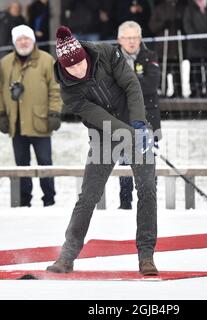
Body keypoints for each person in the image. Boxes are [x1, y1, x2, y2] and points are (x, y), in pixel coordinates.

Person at [46, 26, 158, 276]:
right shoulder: (69, 91)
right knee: (88, 196)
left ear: (85, 55)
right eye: (71, 68)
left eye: (80, 64)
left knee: (147, 189)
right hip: (102, 134)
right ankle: (67, 256)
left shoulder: (105, 53)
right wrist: (129, 133)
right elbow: (100, 116)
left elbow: (131, 85)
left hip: (134, 121)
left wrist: (139, 123)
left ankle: (146, 256)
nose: (78, 70)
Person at [0, 25, 62, 207]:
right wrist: (0, 113)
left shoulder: (47, 60)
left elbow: (55, 89)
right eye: (19, 39)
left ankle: (49, 199)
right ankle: (23, 200)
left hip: (41, 121)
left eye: (27, 38)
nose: (23, 42)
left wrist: (55, 112)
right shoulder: (5, 62)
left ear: (33, 40)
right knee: (22, 165)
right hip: (16, 123)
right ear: (14, 42)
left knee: (45, 163)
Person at [117, 20, 162, 210]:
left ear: (140, 38)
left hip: (148, 120)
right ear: (120, 39)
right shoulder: (112, 59)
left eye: (135, 37)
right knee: (125, 165)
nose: (132, 42)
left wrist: (126, 85)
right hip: (122, 120)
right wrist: (136, 83)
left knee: (148, 165)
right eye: (128, 38)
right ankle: (125, 204)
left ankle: (149, 204)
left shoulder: (150, 56)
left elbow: (151, 85)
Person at [183, 0, 207, 98]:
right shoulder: (190, 7)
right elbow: (187, 23)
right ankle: (196, 90)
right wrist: (195, 37)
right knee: (195, 68)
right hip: (194, 44)